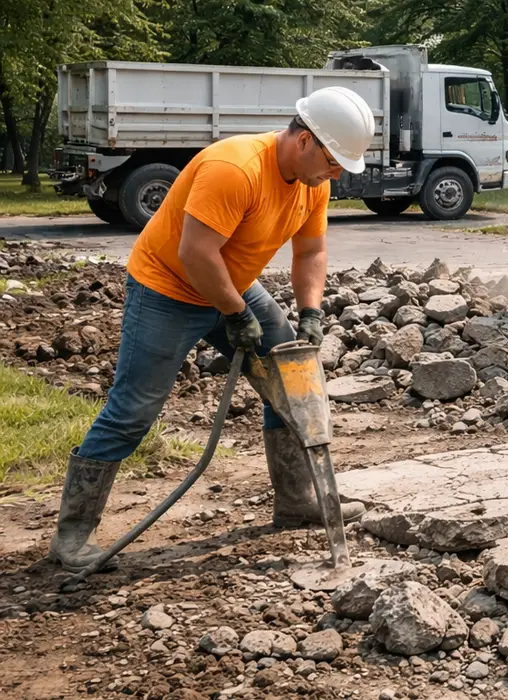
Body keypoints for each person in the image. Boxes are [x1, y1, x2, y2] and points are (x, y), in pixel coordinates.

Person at [49, 86, 376, 573]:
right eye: (332, 161)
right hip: (168, 289)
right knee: (133, 410)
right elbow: (195, 254)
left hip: (232, 286)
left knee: (292, 381)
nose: (334, 174)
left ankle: (295, 502)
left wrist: (309, 313)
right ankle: (70, 538)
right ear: (305, 140)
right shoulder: (235, 168)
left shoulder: (313, 183)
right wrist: (235, 313)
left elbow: (311, 253)